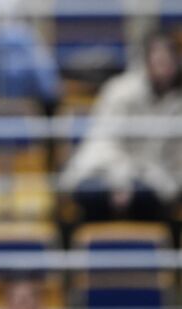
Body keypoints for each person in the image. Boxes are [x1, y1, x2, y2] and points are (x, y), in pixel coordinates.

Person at [59, 30, 182, 221]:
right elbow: (104, 143)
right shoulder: (120, 91)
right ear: (146, 59)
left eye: (168, 57)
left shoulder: (178, 101)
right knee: (93, 193)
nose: (163, 63)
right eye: (157, 56)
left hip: (157, 179)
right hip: (104, 170)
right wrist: (121, 180)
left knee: (154, 197)